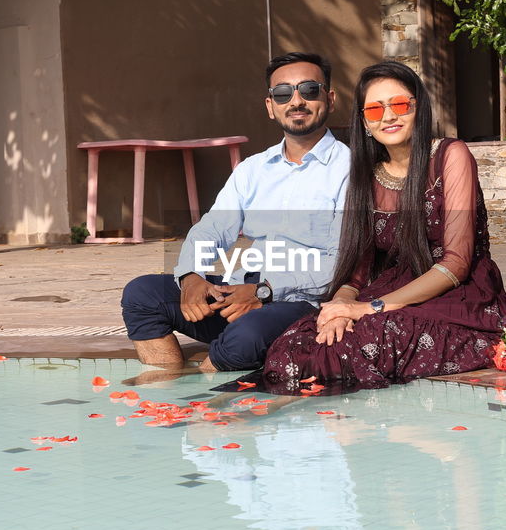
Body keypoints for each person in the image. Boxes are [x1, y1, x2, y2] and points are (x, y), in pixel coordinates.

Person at [263, 61, 506, 393]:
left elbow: (456, 263)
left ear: (418, 108)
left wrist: (369, 308)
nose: (388, 117)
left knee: (361, 344)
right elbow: (357, 273)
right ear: (364, 122)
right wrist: (339, 308)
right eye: (375, 110)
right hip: (394, 292)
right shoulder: (366, 176)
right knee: (294, 345)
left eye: (400, 105)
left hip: (459, 295)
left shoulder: (449, 156)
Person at [120, 52, 350, 384]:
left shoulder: (349, 169)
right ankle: (166, 393)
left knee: (244, 338)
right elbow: (212, 228)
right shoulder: (252, 170)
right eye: (283, 93)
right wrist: (191, 277)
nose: (296, 101)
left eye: (309, 90)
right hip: (240, 292)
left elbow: (340, 260)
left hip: (300, 303)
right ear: (271, 106)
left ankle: (201, 400)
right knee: (143, 295)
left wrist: (263, 292)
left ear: (329, 99)